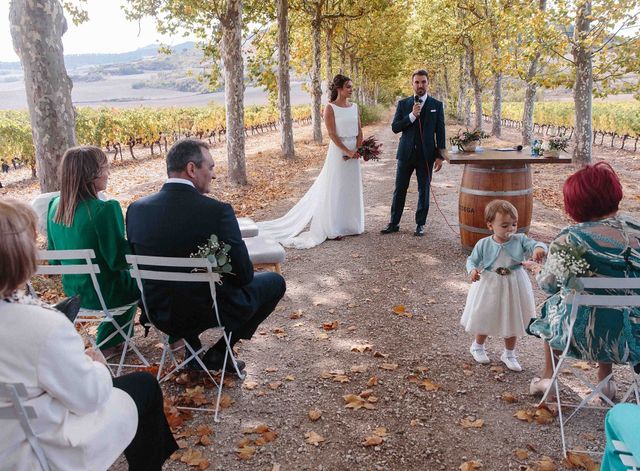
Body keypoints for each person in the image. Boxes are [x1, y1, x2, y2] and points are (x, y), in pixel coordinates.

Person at [0, 198, 179, 471]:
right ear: (21, 256)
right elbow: (89, 398)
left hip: (15, 436)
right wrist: (96, 364)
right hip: (39, 455)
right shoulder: (40, 325)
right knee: (143, 386)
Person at [126, 138, 286, 372]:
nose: (213, 175)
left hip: (158, 311)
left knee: (186, 288)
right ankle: (220, 352)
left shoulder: (136, 210)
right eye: (210, 168)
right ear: (192, 169)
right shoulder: (217, 212)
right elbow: (243, 276)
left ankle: (194, 353)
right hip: (207, 310)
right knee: (274, 282)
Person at [529, 162, 640, 398]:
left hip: (577, 336)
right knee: (614, 307)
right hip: (632, 337)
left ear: (575, 204)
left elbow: (548, 285)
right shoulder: (637, 230)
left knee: (552, 307)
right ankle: (606, 382)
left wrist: (537, 270)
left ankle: (549, 378)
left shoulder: (569, 239)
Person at [47, 146, 140, 359]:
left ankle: (114, 340)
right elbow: (118, 261)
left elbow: (54, 260)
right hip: (106, 294)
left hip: (74, 294)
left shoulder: (54, 207)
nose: (108, 173)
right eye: (105, 168)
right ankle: (108, 344)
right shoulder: (105, 210)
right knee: (147, 283)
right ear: (92, 175)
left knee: (126, 284)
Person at [257, 73, 364, 249]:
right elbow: (332, 134)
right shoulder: (330, 108)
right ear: (339, 89)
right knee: (337, 186)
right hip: (339, 151)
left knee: (351, 186)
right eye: (348, 87)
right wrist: (347, 151)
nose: (351, 89)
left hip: (354, 152)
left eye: (351, 86)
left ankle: (351, 224)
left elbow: (359, 130)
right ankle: (334, 226)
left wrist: (358, 149)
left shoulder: (355, 107)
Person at [461, 200, 547, 371]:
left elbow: (536, 244)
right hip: (489, 283)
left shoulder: (520, 240)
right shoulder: (484, 244)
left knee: (513, 316)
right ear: (490, 225)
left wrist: (539, 248)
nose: (511, 229)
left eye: (514, 224)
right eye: (505, 225)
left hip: (514, 283)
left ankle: (509, 353)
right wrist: (472, 271)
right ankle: (478, 346)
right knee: (486, 313)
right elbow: (472, 260)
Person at [381, 69, 446, 237]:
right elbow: (395, 128)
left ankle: (420, 224)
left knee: (423, 190)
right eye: (417, 82)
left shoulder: (436, 105)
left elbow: (441, 132)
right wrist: (411, 115)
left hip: (426, 155)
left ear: (428, 83)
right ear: (412, 84)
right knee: (400, 189)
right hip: (406, 154)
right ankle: (394, 223)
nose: (420, 85)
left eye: (423, 82)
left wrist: (440, 156)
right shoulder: (403, 104)